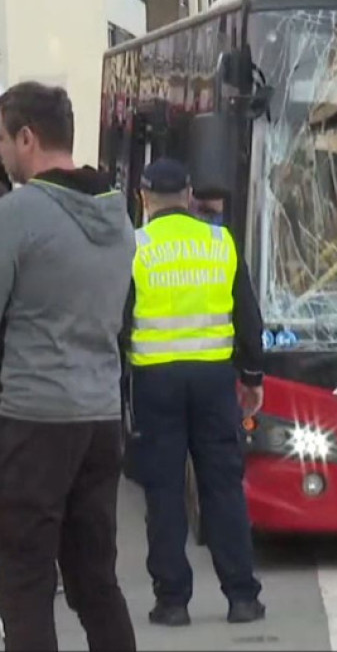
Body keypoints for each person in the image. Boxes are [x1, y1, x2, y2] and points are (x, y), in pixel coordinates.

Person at [0, 82, 137, 651]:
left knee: (25, 582)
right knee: (94, 579)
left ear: (27, 137)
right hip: (99, 419)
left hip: (32, 421)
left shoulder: (19, 212)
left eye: (3, 140)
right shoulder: (119, 216)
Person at [125, 157, 266, 626]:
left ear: (144, 198)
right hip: (213, 380)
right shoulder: (219, 242)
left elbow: (121, 325)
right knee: (222, 486)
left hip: (155, 382)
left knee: (164, 491)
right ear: (188, 195)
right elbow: (247, 317)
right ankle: (242, 597)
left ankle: (172, 601)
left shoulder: (136, 247)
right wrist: (252, 376)